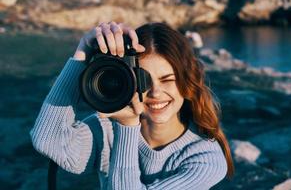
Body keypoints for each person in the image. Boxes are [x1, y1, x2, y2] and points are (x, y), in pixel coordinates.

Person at [30, 21, 234, 189]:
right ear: (127, 79)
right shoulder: (107, 129)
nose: (155, 92)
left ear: (186, 83)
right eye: (143, 79)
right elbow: (48, 139)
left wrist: (127, 127)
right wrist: (83, 51)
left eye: (167, 79)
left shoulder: (205, 157)